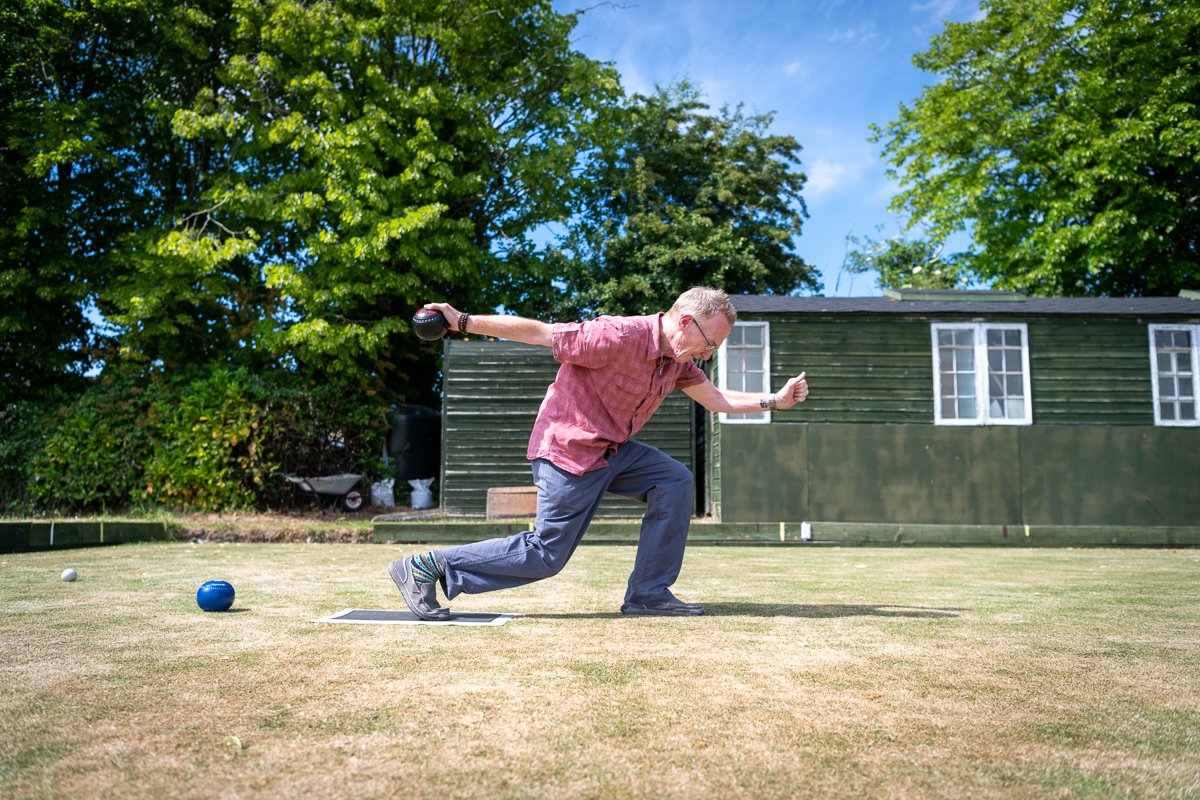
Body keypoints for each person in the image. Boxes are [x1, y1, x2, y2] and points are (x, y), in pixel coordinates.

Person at [390, 287, 809, 618]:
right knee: (546, 554)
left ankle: (648, 594)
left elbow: (716, 400)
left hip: (613, 450)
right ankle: (427, 566)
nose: (708, 354)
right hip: (568, 450)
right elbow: (541, 333)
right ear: (684, 321)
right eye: (708, 344)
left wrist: (774, 400)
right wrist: (461, 320)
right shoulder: (617, 335)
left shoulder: (677, 361)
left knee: (674, 480)